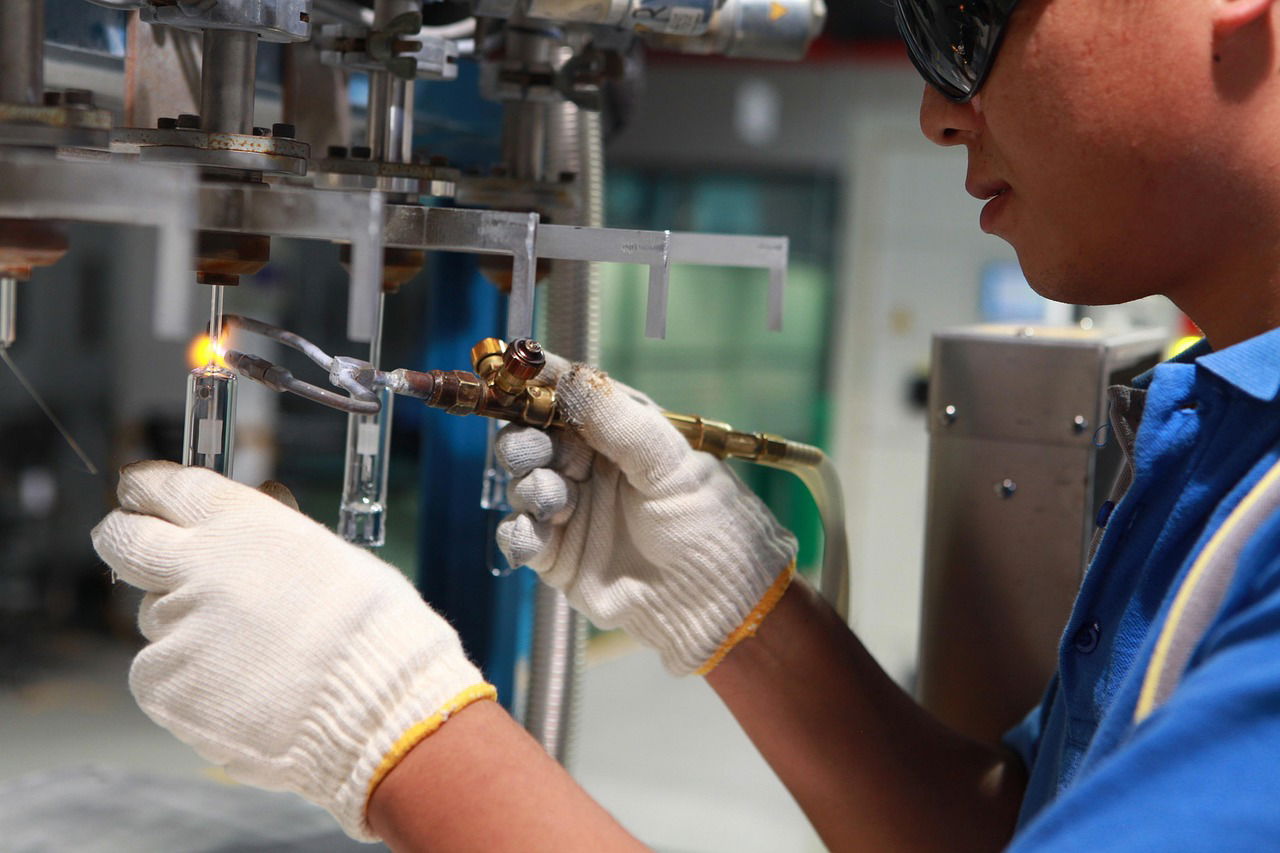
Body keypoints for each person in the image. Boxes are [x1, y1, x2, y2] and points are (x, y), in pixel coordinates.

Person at [90, 0, 1280, 848]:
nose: (935, 110)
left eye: (959, 21)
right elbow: (1018, 827)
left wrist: (381, 720)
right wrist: (741, 610)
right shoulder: (1210, 428)